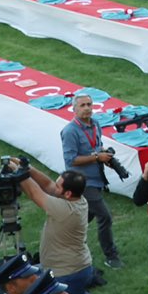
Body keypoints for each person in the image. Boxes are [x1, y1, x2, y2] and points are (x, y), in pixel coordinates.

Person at [57, 93, 122, 269]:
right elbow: (71, 160)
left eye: (89, 104)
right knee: (105, 217)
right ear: (74, 109)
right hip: (83, 183)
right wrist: (96, 157)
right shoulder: (70, 131)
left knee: (85, 218)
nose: (87, 108)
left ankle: (67, 246)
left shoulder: (95, 124)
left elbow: (96, 147)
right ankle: (111, 256)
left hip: (97, 179)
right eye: (82, 105)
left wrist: (105, 156)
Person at [16, 159, 100, 294]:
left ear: (68, 193)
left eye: (58, 186)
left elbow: (35, 194)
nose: (54, 188)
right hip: (73, 268)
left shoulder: (66, 210)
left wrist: (19, 172)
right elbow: (48, 185)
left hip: (67, 273)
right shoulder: (77, 198)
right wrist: (28, 168)